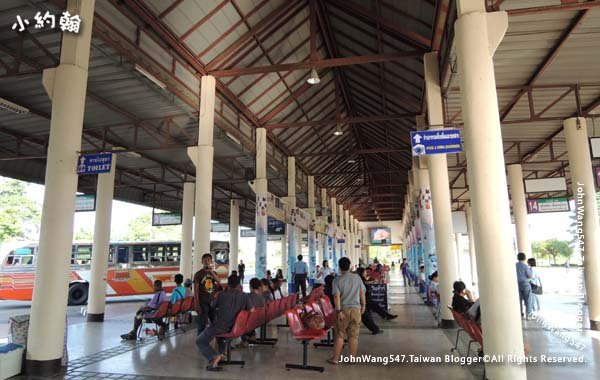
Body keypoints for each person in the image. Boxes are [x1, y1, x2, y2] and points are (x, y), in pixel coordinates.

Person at [196, 275, 251, 371]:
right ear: (239, 284)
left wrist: (216, 296)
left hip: (221, 326)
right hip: (236, 327)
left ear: (228, 284)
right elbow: (252, 310)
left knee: (200, 341)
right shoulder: (245, 296)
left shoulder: (222, 295)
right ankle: (221, 354)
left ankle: (213, 358)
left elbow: (212, 305)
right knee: (219, 336)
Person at [328, 257, 366, 365]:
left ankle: (335, 359)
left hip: (343, 310)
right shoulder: (357, 278)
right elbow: (362, 293)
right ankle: (352, 359)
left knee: (340, 335)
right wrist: (363, 305)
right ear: (349, 266)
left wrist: (339, 310)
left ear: (339, 267)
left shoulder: (337, 280)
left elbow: (336, 296)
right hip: (356, 310)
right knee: (353, 336)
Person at [193, 253, 222, 335]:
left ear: (211, 262)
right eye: (205, 260)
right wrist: (196, 303)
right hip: (203, 302)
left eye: (208, 260)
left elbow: (219, 282)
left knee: (215, 322)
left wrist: (211, 272)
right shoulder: (198, 274)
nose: (206, 262)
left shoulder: (214, 273)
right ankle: (200, 341)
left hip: (213, 302)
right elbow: (195, 290)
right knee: (202, 323)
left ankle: (217, 340)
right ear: (202, 262)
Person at [356, 267, 382, 335]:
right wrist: (363, 304)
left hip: (365, 299)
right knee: (366, 316)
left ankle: (375, 328)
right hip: (363, 300)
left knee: (367, 316)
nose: (366, 273)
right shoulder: (360, 278)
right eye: (365, 271)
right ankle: (375, 329)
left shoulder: (360, 278)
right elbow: (363, 289)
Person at [516, 252, 533, 319]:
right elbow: (529, 276)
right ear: (524, 258)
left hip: (517, 284)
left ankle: (520, 314)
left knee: (519, 300)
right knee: (528, 299)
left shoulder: (514, 265)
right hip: (525, 284)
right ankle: (528, 315)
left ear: (518, 258)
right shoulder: (525, 266)